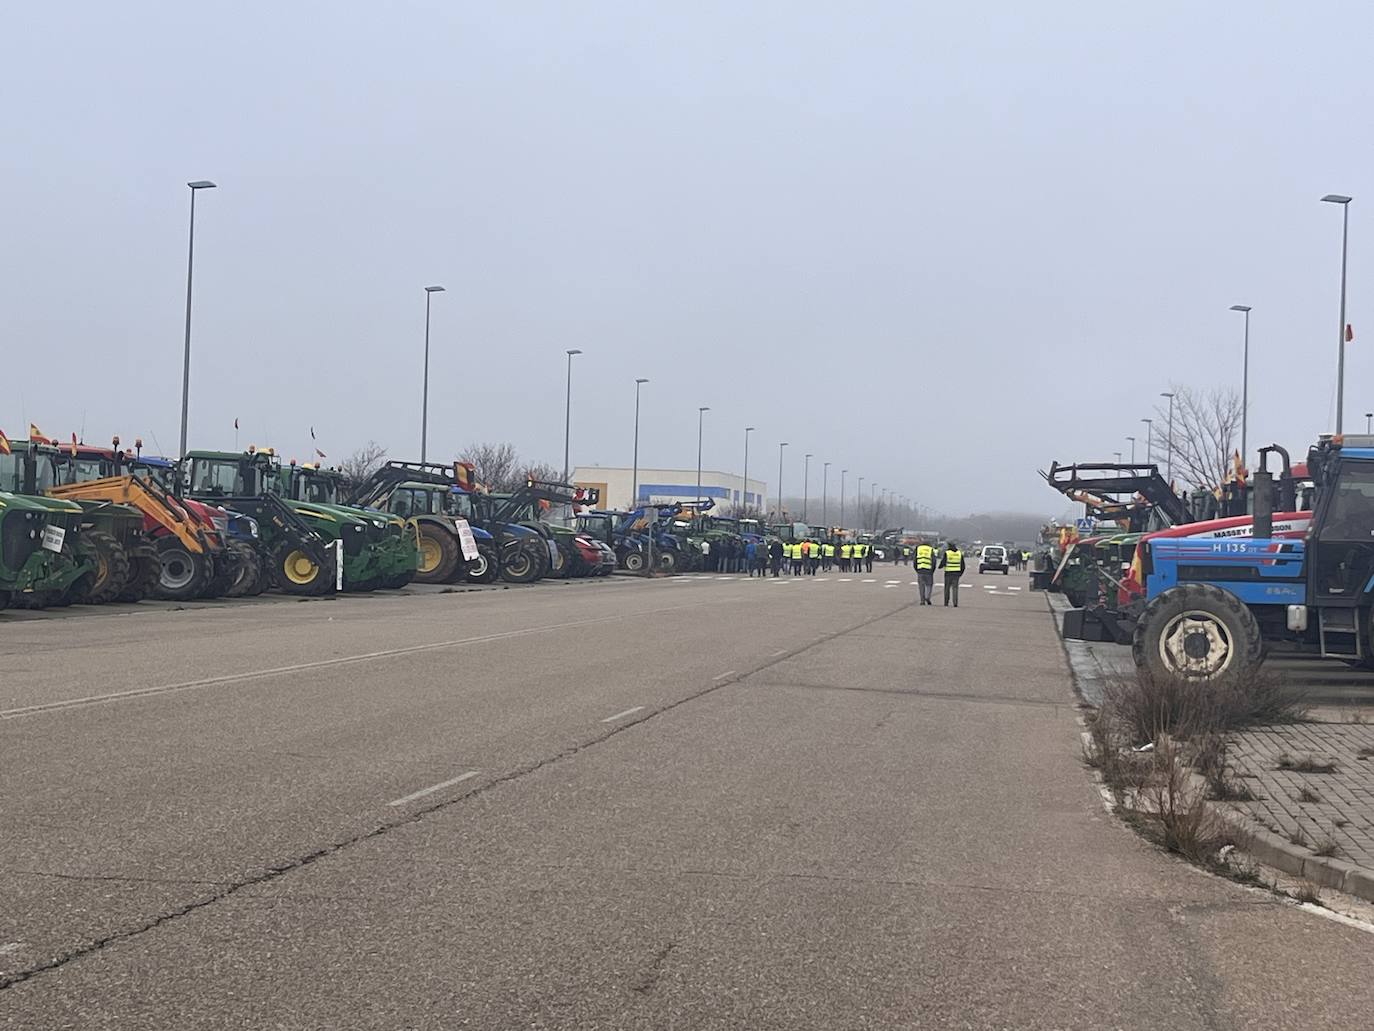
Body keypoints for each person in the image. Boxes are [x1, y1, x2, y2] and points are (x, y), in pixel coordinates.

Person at [941, 541, 965, 607]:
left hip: (948, 573)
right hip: (956, 574)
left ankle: (946, 602)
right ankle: (955, 603)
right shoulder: (959, 553)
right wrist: (960, 573)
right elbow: (963, 565)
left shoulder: (947, 553)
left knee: (947, 588)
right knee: (955, 588)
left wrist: (940, 566)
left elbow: (943, 562)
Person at [914, 540, 935, 605]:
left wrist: (916, 569)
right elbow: (934, 561)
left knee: (921, 586)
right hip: (929, 570)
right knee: (929, 585)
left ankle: (922, 601)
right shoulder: (930, 549)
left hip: (920, 570)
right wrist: (932, 570)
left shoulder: (918, 549)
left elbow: (915, 560)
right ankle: (927, 597)